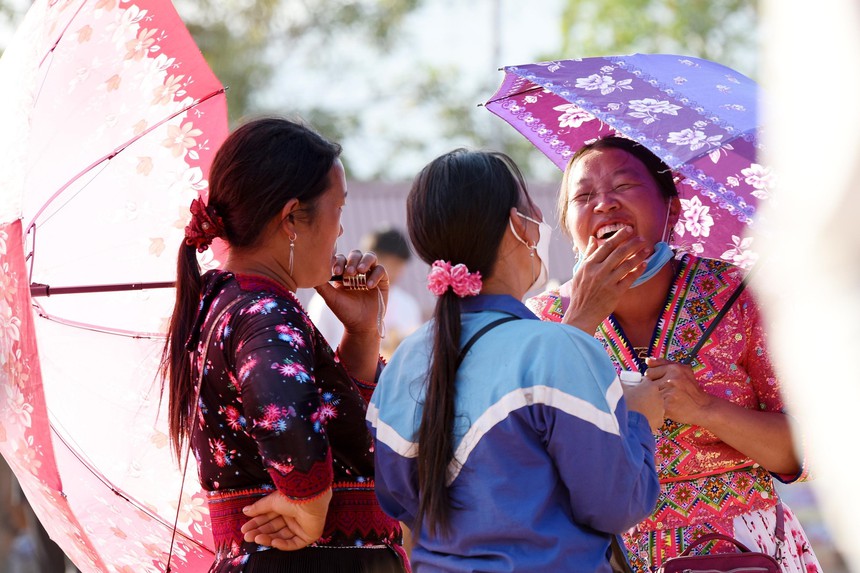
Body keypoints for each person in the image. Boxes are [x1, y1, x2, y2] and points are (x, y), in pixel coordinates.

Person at [526, 135, 822, 573]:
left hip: (741, 555)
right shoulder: (541, 322)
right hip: (604, 558)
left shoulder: (742, 297)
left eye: (624, 186)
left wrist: (705, 409)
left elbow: (809, 452)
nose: (604, 203)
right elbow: (523, 454)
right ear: (570, 227)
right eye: (583, 196)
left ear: (674, 208)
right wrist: (579, 328)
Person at [367, 149, 663, 572]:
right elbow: (616, 504)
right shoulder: (557, 349)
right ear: (517, 227)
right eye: (531, 209)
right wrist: (640, 419)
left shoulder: (404, 360)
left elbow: (398, 501)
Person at [160, 117, 407, 573]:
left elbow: (341, 426)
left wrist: (364, 332)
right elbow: (281, 404)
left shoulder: (226, 303)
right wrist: (309, 498)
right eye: (338, 210)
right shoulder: (264, 310)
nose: (339, 232)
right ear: (292, 217)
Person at [308, 227, 422, 360]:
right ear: (370, 258)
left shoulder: (408, 304)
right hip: (336, 376)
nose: (394, 271)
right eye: (389, 263)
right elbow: (314, 347)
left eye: (399, 265)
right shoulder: (327, 298)